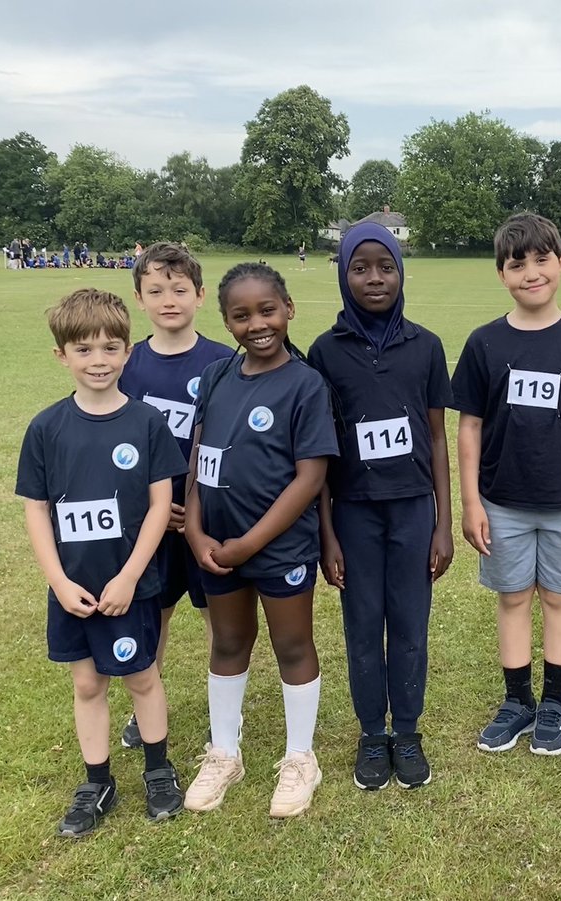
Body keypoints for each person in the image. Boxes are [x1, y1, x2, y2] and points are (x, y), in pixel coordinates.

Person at [15, 288, 188, 837]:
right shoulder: (46, 429)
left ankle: (159, 770)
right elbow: (37, 511)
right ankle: (98, 781)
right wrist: (59, 582)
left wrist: (132, 574)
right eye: (84, 350)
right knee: (87, 684)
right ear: (61, 355)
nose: (98, 361)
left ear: (128, 352)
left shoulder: (146, 425)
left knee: (141, 675)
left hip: (129, 585)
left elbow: (162, 503)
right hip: (73, 588)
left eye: (110, 348)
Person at [452, 213, 561, 756]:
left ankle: (554, 704)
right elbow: (469, 428)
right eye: (517, 263)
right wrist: (470, 502)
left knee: (558, 599)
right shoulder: (484, 343)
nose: (532, 272)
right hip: (501, 502)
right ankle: (517, 701)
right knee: (512, 599)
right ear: (501, 273)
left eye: (542, 259)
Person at [182, 262, 338, 818]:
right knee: (227, 644)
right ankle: (224, 753)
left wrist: (249, 544)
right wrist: (197, 530)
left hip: (278, 549)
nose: (257, 324)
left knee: (291, 646)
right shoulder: (220, 377)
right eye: (241, 315)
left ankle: (300, 758)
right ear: (226, 321)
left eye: (267, 310)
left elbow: (310, 476)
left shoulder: (305, 383)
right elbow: (202, 458)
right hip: (215, 546)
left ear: (289, 309)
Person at [307, 223, 453, 790]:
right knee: (363, 626)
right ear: (344, 274)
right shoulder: (325, 351)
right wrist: (328, 534)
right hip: (354, 511)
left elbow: (438, 437)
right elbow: (317, 450)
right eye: (360, 268)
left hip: (414, 509)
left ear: (401, 273)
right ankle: (373, 734)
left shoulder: (426, 346)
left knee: (411, 624)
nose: (374, 279)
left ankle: (408, 731)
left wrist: (443, 522)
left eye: (385, 267)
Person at [116, 242, 235, 751]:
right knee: (152, 616)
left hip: (204, 517)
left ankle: (222, 712)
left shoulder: (222, 362)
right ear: (139, 298)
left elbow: (230, 442)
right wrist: (151, 509)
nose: (169, 299)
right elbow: (116, 443)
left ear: (200, 296)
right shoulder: (128, 364)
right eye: (156, 290)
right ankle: (146, 707)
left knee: (219, 618)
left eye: (180, 289)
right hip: (149, 525)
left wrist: (195, 508)